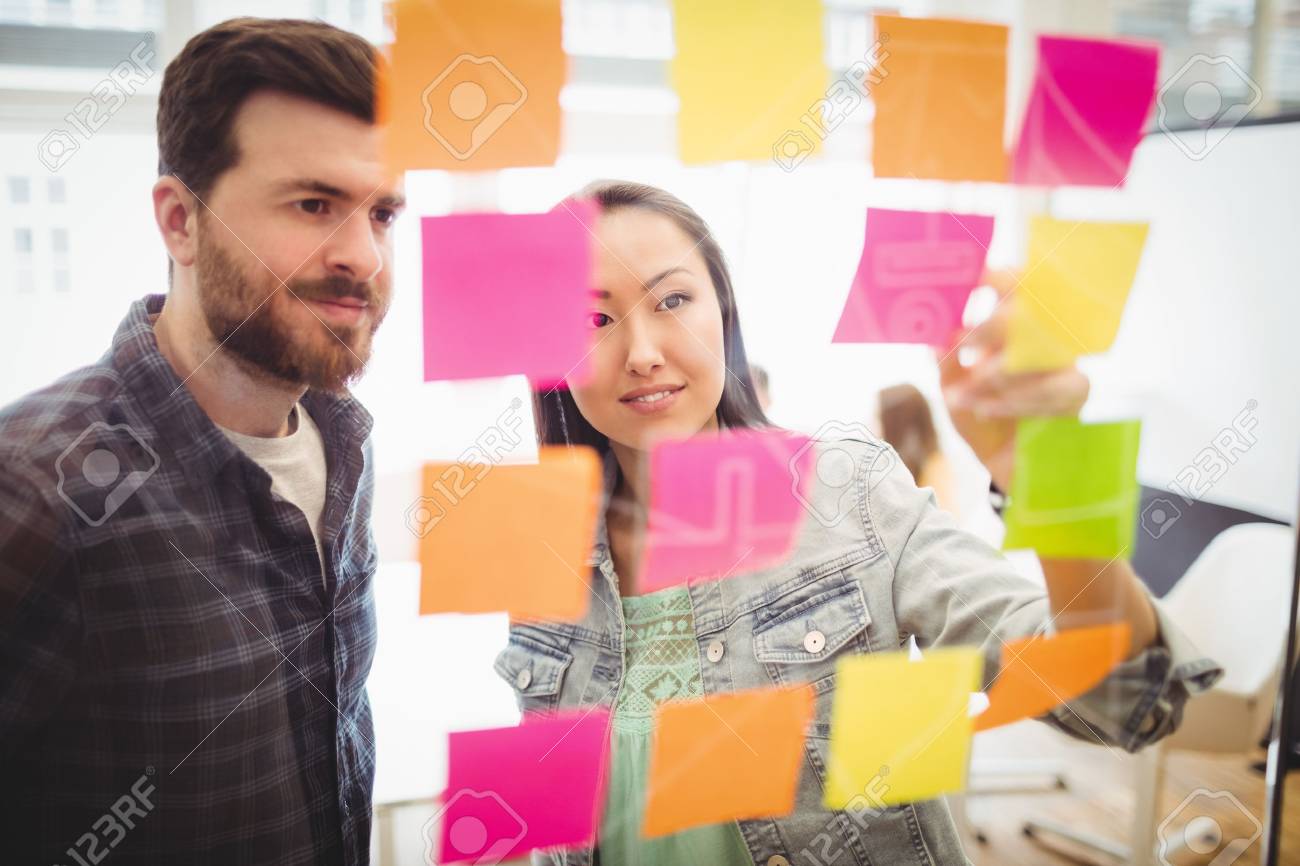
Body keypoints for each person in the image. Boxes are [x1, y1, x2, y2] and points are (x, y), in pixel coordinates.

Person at [504, 180, 1223, 866]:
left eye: (673, 299)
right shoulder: (543, 554)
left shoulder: (846, 491)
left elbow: (1121, 696)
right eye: (593, 320)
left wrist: (1054, 471)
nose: (642, 353)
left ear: (722, 317)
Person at [0, 19, 403, 865]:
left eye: (382, 213)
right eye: (314, 204)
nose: (363, 256)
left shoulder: (344, 447)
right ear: (181, 221)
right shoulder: (36, 490)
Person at [877, 382, 961, 518]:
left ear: (896, 425)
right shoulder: (888, 473)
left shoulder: (934, 468)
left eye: (878, 418)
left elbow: (942, 522)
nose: (875, 428)